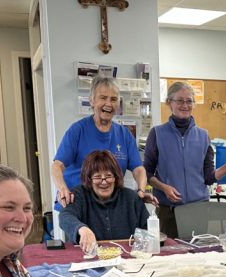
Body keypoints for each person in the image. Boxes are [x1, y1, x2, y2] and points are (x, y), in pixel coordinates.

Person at [144, 81, 226, 238]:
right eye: (180, 100)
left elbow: (209, 177)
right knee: (169, 258)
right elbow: (147, 173)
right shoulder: (157, 134)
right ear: (170, 103)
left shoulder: (203, 136)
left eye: (189, 101)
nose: (185, 105)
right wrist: (164, 188)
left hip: (198, 209)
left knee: (197, 255)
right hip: (168, 211)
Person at [52, 75, 152, 208]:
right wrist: (63, 189)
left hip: (110, 208)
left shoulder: (124, 134)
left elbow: (138, 169)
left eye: (114, 99)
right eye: (103, 98)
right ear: (92, 101)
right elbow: (57, 166)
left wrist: (141, 190)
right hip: (78, 205)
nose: (109, 104)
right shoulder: (77, 130)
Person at [59, 149, 149, 253]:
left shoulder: (132, 198)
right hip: (89, 257)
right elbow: (64, 216)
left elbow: (148, 230)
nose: (104, 182)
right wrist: (82, 229)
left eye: (108, 176)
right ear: (89, 179)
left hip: (127, 258)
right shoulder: (79, 195)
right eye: (97, 177)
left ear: (116, 177)